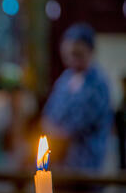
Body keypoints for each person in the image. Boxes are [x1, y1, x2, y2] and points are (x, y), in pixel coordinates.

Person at [42, 23, 112, 172]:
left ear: (90, 51)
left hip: (85, 165)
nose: (72, 59)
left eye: (78, 54)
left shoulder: (98, 83)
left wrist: (56, 132)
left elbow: (76, 125)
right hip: (59, 164)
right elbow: (49, 113)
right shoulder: (65, 79)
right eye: (69, 55)